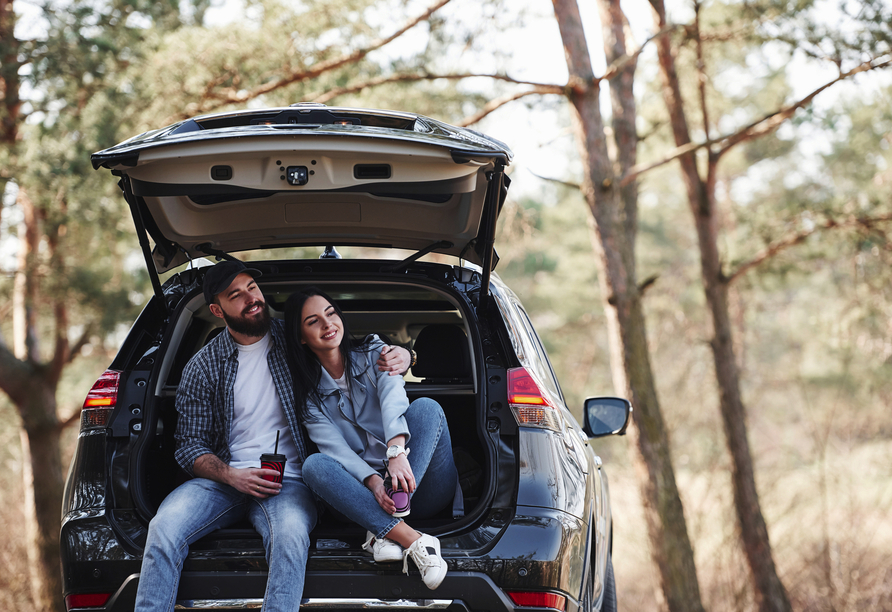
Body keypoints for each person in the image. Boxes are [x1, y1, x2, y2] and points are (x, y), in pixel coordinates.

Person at [134, 261, 411, 612]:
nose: (251, 299)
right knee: (163, 528)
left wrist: (405, 353)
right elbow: (189, 446)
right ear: (218, 310)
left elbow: (355, 351)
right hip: (225, 480)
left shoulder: (296, 339)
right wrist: (232, 475)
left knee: (289, 536)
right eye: (236, 295)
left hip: (293, 482)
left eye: (252, 287)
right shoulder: (202, 366)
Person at [284, 286, 460, 591]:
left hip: (417, 485)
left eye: (331, 313)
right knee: (315, 465)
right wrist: (373, 482)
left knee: (427, 408)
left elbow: (394, 399)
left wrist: (396, 453)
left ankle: (381, 529)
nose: (327, 325)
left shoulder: (375, 353)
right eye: (313, 321)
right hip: (363, 498)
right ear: (301, 336)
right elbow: (334, 448)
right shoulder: (307, 395)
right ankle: (412, 539)